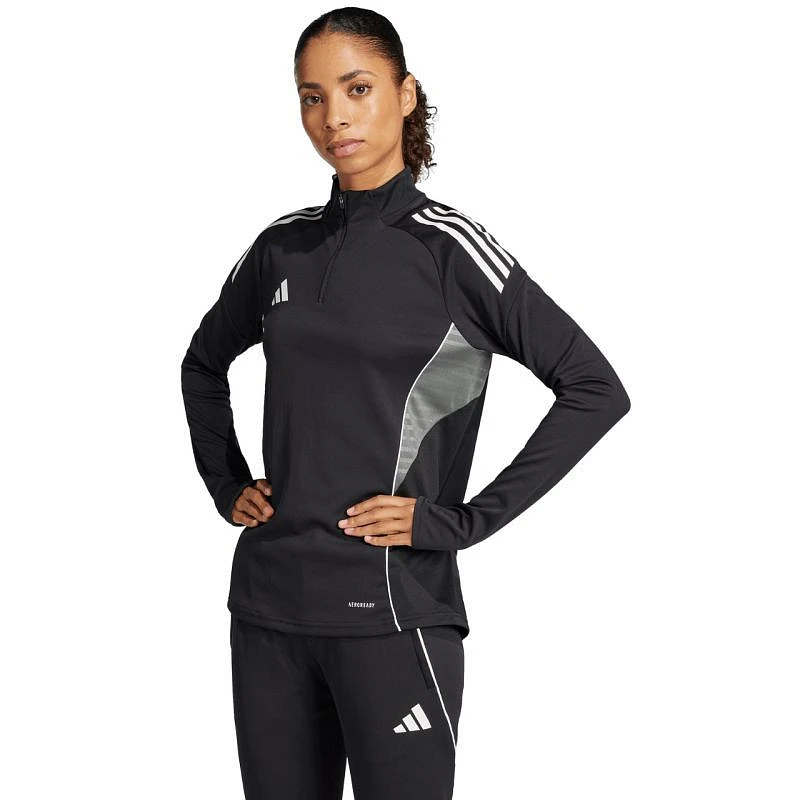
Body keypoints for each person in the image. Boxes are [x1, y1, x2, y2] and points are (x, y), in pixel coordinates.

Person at [180, 7, 631, 800]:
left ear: (406, 93)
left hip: (394, 612)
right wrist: (227, 483)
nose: (334, 116)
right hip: (268, 609)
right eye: (312, 96)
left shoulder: (449, 248)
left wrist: (463, 522)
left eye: (357, 88)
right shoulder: (281, 247)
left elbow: (594, 388)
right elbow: (202, 364)